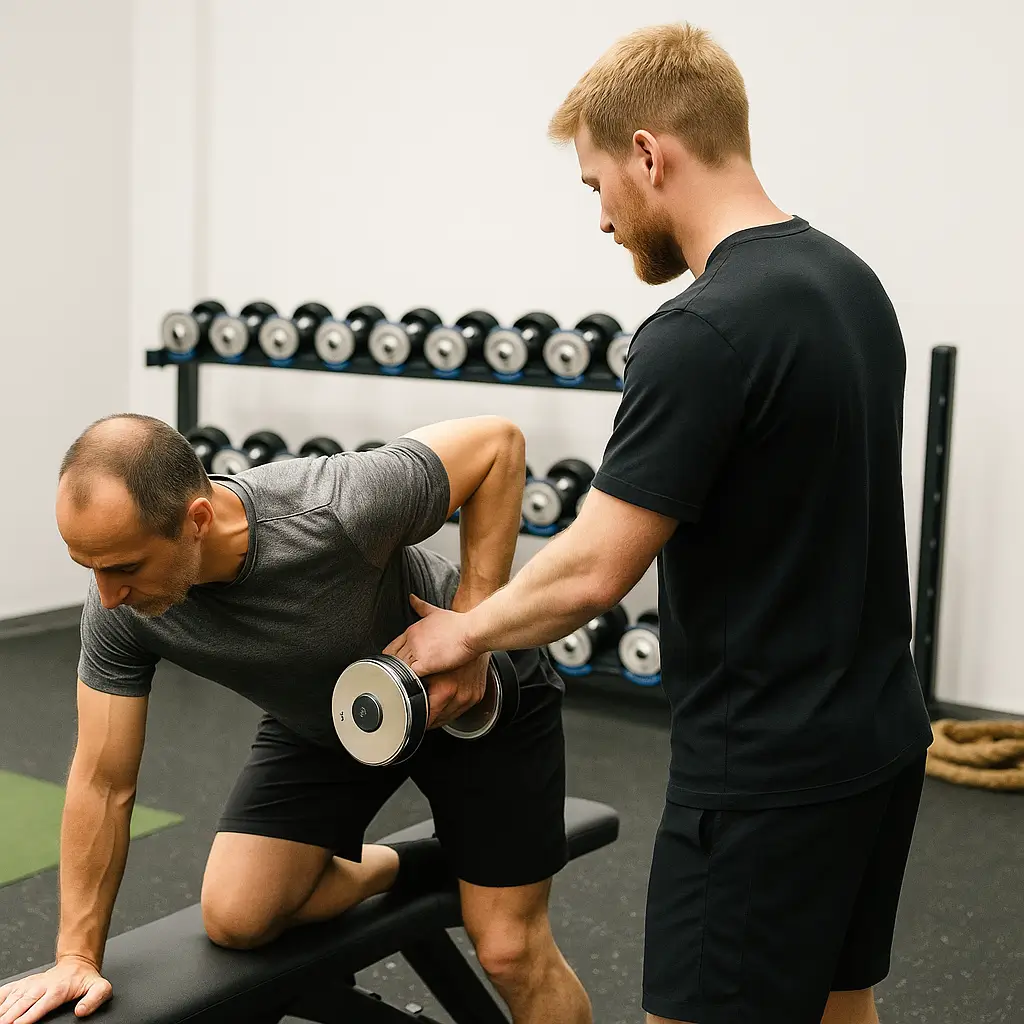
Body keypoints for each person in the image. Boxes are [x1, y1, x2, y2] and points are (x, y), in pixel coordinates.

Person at [385, 23, 934, 1024]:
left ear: (648, 153)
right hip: (880, 737)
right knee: (840, 1004)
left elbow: (595, 568)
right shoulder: (851, 282)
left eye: (596, 184)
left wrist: (462, 631)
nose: (601, 216)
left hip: (763, 772)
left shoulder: (697, 332)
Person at [0, 413, 589, 1024]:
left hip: (470, 694)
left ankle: (483, 883)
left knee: (509, 950)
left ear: (197, 520)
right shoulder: (117, 611)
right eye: (90, 567)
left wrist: (472, 632)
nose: (108, 594)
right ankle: (427, 865)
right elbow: (102, 781)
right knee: (239, 917)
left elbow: (497, 444)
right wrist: (76, 956)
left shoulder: (332, 508)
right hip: (332, 716)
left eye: (125, 567)